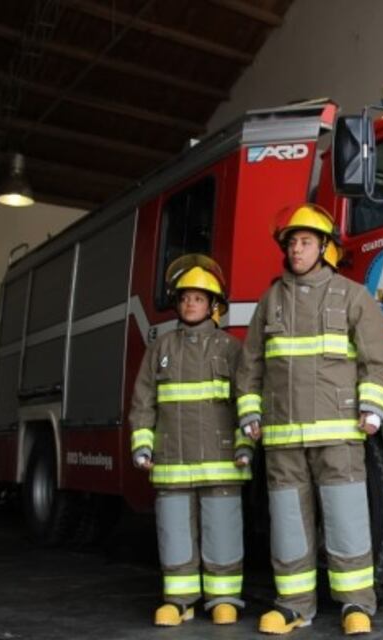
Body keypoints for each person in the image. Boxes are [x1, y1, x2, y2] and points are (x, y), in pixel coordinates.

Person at [236, 204, 383, 636]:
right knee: (288, 523)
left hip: (339, 434)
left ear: (325, 248)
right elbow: (249, 366)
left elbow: (376, 361)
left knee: (346, 519)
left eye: (305, 241)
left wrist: (372, 408)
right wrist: (250, 413)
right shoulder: (271, 300)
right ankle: (293, 606)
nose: (296, 249)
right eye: (291, 242)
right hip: (283, 437)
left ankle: (357, 604)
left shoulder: (353, 296)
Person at [129, 253, 254, 627]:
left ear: (214, 306)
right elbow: (143, 402)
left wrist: (246, 446)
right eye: (184, 298)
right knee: (175, 531)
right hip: (172, 459)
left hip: (222, 459)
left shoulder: (231, 350)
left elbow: (244, 400)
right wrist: (142, 446)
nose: (189, 304)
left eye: (198, 298)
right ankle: (179, 600)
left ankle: (224, 598)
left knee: (223, 530)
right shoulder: (161, 350)